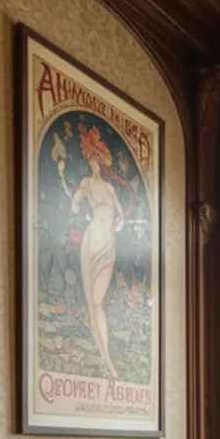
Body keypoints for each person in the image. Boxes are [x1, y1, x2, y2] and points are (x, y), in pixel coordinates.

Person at [72, 124, 125, 381]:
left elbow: (121, 218)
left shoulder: (111, 189)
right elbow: (75, 204)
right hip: (93, 242)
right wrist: (76, 199)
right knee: (93, 302)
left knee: (98, 302)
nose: (95, 162)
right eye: (92, 158)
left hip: (108, 244)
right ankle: (104, 356)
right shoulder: (87, 182)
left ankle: (106, 357)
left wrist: (118, 223)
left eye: (98, 158)